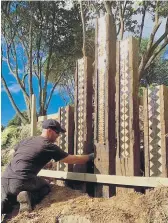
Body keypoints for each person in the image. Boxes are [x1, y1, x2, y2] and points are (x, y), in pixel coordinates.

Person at [1, 119, 94, 215]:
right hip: (21, 181)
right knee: (46, 186)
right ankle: (29, 197)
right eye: (57, 132)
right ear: (49, 131)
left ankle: (5, 204)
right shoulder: (49, 146)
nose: (58, 136)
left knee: (10, 196)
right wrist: (90, 157)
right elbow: (72, 159)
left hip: (4, 180)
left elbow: (15, 154)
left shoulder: (28, 140)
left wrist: (39, 163)